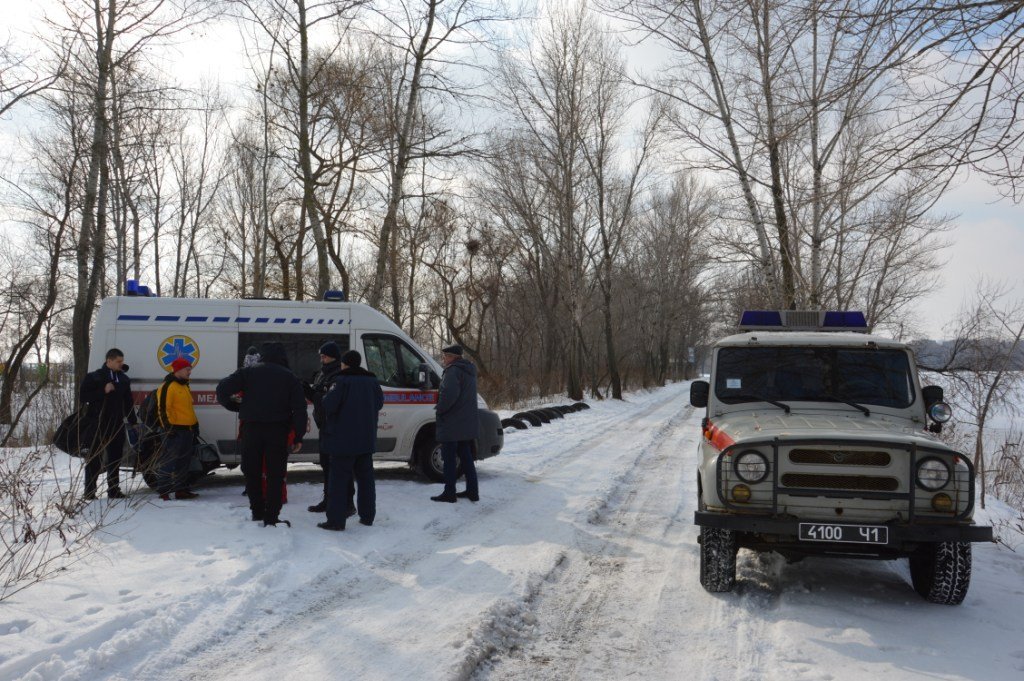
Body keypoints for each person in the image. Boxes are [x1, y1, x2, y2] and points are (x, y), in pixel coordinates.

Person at [216, 341, 307, 527]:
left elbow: (222, 389)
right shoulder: (290, 377)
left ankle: (257, 511)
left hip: (252, 429)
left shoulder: (248, 372)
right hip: (278, 431)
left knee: (252, 472)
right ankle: (271, 517)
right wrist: (298, 436)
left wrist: (233, 406)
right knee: (275, 474)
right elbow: (300, 410)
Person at [317, 350, 384, 531]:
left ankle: (336, 521)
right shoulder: (372, 381)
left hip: (342, 441)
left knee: (338, 482)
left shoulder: (341, 381)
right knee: (366, 480)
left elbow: (328, 405)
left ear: (345, 364)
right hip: (366, 440)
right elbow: (379, 403)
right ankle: (367, 516)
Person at [79, 348, 137, 500]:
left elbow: (128, 403)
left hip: (116, 423)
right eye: (118, 361)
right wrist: (103, 391)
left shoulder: (123, 379)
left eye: (122, 361)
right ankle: (90, 491)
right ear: (109, 361)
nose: (121, 364)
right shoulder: (95, 377)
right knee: (94, 457)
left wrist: (133, 422)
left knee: (115, 457)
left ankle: (113, 489)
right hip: (97, 423)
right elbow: (83, 397)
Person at [303, 341, 353, 515]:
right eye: (321, 356)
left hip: (335, 427)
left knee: (338, 467)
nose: (321, 359)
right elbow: (319, 395)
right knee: (326, 466)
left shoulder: (337, 374)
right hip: (325, 426)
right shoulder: (323, 373)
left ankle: (347, 504)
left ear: (333, 357)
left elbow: (328, 401)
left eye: (324, 356)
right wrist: (308, 390)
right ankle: (328, 499)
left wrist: (311, 393)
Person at [430, 344, 480, 503]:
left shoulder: (453, 371)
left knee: (449, 458)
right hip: (465, 421)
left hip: (452, 422)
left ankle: (449, 493)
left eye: (445, 356)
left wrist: (440, 410)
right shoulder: (469, 370)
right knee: (466, 457)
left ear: (452, 357)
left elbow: (449, 395)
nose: (443, 359)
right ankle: (473, 491)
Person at [155, 357, 200, 500]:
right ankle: (164, 492)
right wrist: (168, 428)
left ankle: (181, 490)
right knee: (169, 461)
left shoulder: (185, 385)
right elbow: (162, 409)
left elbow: (188, 409)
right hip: (173, 431)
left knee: (184, 462)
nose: (190, 372)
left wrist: (195, 424)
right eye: (187, 369)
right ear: (178, 370)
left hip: (187, 430)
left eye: (190, 369)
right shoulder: (167, 386)